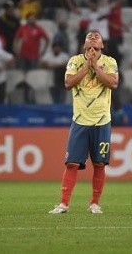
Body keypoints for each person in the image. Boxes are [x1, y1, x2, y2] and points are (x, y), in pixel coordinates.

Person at [48, 31, 119, 214]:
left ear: (102, 47)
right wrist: (87, 67)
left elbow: (113, 83)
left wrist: (95, 66)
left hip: (102, 121)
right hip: (80, 120)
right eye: (89, 47)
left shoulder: (110, 62)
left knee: (100, 164)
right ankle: (64, 204)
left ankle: (95, 204)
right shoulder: (75, 61)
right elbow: (68, 83)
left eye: (96, 47)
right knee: (71, 163)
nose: (93, 49)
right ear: (84, 47)